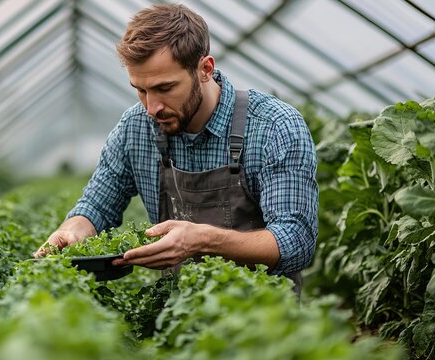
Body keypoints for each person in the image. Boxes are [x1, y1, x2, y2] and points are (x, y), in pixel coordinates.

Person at [36, 3, 318, 293]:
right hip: (177, 318)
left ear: (205, 69)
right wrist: (74, 227)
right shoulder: (136, 128)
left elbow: (296, 241)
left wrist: (203, 240)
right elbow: (97, 205)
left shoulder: (274, 126)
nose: (152, 107)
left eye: (165, 88)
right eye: (141, 90)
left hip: (267, 321)